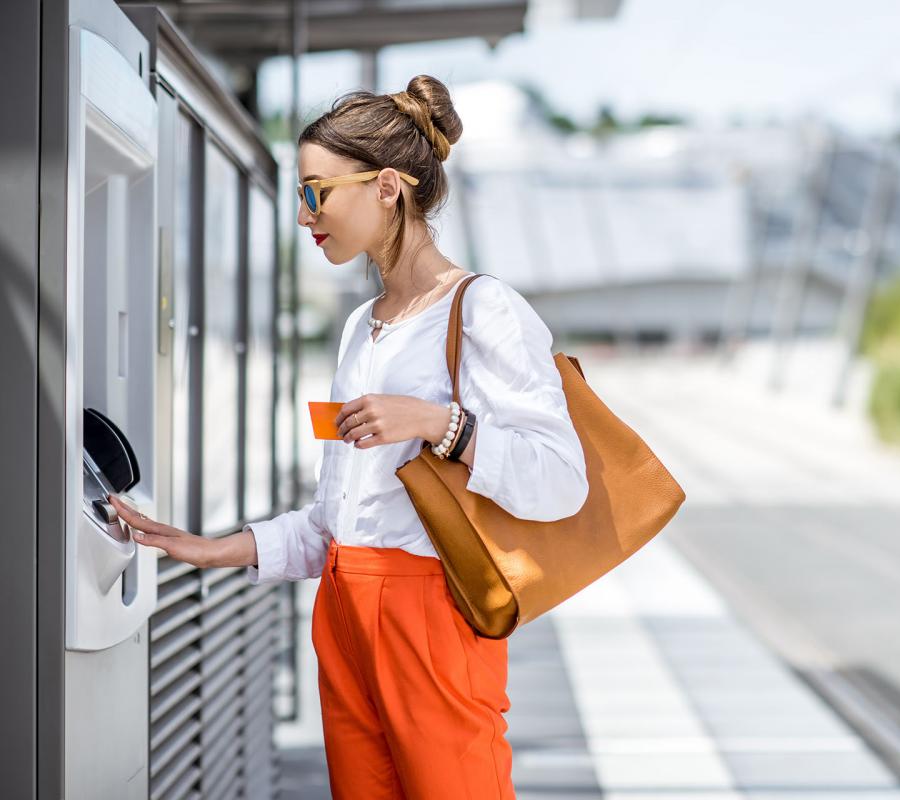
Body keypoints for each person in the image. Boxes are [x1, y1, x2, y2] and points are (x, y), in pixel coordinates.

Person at [108, 74, 589, 800]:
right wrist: (212, 548)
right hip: (341, 609)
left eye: (317, 192)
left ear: (387, 187)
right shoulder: (360, 329)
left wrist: (440, 424)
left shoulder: (483, 309)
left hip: (430, 619)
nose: (306, 215)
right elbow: (338, 524)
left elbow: (561, 480)